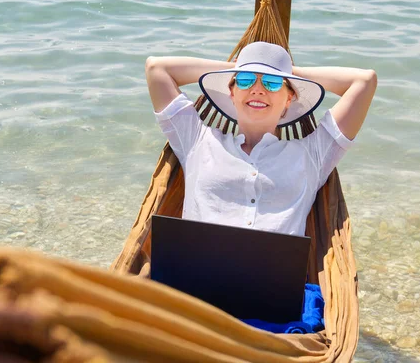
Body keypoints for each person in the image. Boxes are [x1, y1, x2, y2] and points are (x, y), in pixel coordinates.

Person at [145, 42, 377, 236]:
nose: (258, 89)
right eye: (245, 80)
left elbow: (364, 82)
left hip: (272, 288)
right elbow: (157, 68)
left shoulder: (313, 155)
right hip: (194, 282)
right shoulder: (197, 140)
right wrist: (238, 67)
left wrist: (290, 72)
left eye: (272, 83)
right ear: (232, 92)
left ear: (289, 98)